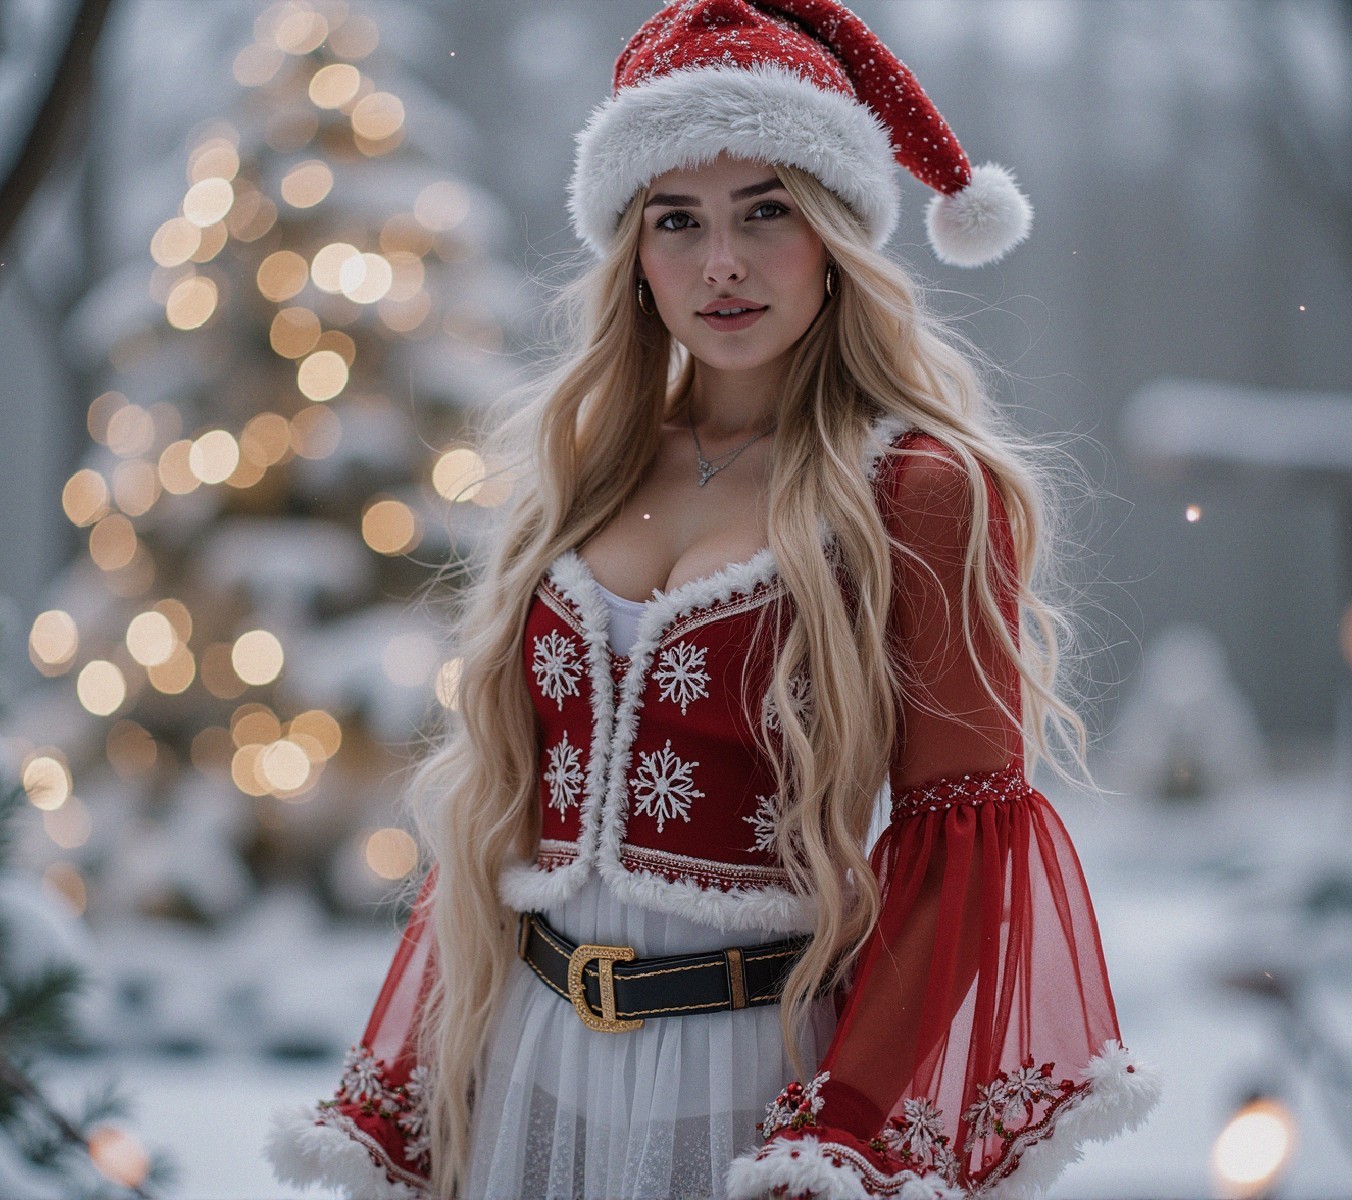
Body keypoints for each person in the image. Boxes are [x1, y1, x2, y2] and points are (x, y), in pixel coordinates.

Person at [266, 1, 1160, 1197]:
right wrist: (418, 1068)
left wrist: (838, 1122)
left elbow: (960, 849)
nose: (719, 264)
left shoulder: (916, 491)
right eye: (675, 220)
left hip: (748, 1067)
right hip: (527, 1056)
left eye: (765, 212)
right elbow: (500, 810)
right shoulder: (584, 473)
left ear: (836, 235)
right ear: (631, 251)